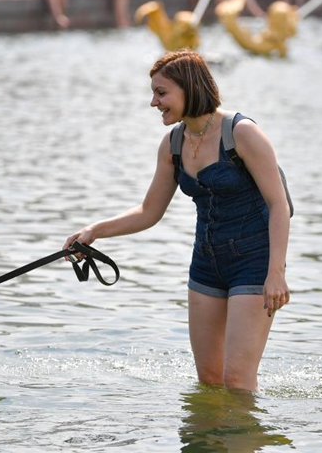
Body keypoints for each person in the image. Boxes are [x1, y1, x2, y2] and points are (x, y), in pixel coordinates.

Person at [64, 49, 291, 392]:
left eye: (161, 92)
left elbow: (279, 206)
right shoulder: (172, 143)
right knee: (210, 380)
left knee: (238, 381)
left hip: (256, 263)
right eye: (154, 93)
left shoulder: (242, 133)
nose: (154, 102)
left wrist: (276, 273)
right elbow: (148, 212)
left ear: (190, 89)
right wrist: (94, 232)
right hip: (206, 264)